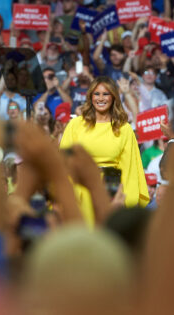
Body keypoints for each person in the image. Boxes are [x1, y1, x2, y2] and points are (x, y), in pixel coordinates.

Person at [60, 76, 149, 226]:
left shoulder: (124, 128)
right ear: (90, 97)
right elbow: (64, 163)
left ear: (113, 97)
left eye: (105, 94)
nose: (101, 98)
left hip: (112, 191)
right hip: (81, 190)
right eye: (97, 94)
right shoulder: (75, 125)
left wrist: (126, 201)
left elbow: (130, 169)